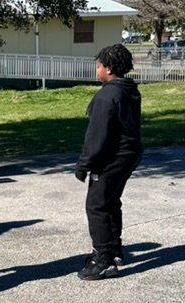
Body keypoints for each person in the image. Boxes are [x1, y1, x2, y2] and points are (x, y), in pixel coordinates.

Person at [74, 44, 143, 281]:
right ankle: (114, 250)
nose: (97, 70)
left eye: (99, 66)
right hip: (129, 155)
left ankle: (102, 259)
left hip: (111, 158)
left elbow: (97, 136)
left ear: (109, 68)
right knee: (111, 202)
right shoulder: (129, 90)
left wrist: (84, 164)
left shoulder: (106, 96)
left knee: (97, 205)